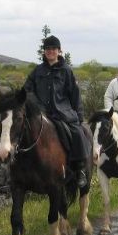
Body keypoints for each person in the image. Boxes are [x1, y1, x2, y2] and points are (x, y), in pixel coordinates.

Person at [24, 35, 89, 188]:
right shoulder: (37, 71)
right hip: (42, 114)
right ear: (44, 51)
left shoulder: (66, 71)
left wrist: (79, 116)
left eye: (53, 49)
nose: (50, 51)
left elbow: (75, 94)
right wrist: (34, 104)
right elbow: (27, 90)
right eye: (47, 49)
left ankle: (80, 170)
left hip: (62, 113)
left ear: (59, 51)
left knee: (78, 133)